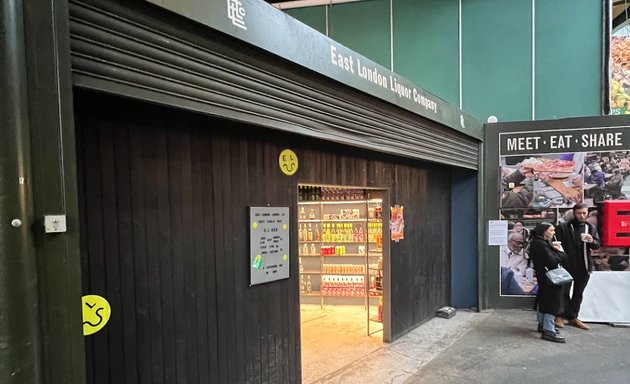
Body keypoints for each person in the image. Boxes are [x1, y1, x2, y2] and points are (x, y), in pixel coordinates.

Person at [554, 203, 600, 330]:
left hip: (584, 265)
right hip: (566, 264)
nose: (582, 216)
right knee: (563, 291)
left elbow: (597, 244)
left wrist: (591, 240)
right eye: (579, 213)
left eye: (584, 213)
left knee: (578, 293)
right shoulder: (564, 227)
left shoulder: (590, 227)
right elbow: (555, 243)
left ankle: (573, 317)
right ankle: (559, 315)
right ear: (574, 213)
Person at [529, 222, 567, 343]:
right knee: (552, 302)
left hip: (544, 277)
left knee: (544, 300)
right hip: (550, 278)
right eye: (551, 230)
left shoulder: (538, 243)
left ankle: (543, 324)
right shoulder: (540, 244)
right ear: (544, 231)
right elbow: (551, 261)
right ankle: (548, 329)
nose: (554, 233)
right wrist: (560, 252)